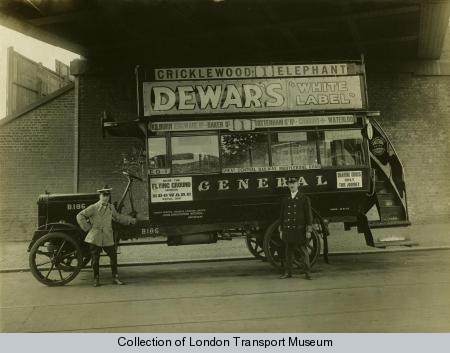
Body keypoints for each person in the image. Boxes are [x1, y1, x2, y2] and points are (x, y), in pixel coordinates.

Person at [76, 185, 136, 287]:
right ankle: (96, 279)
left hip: (108, 236)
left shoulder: (111, 207)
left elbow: (118, 217)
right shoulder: (94, 207)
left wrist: (130, 220)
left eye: (107, 196)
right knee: (95, 259)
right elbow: (80, 215)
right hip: (95, 237)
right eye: (104, 195)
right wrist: (87, 227)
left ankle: (115, 277)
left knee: (113, 256)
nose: (106, 198)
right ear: (100, 196)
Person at [278, 175, 313, 280]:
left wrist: (308, 230)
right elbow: (282, 216)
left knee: (303, 251)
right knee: (288, 253)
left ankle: (307, 273)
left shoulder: (304, 198)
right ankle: (288, 273)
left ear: (298, 184)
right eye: (290, 184)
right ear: (288, 185)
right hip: (288, 230)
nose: (292, 185)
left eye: (294, 183)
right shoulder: (286, 200)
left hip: (300, 230)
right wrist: (281, 230)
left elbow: (309, 215)